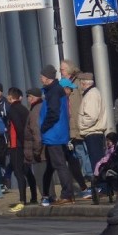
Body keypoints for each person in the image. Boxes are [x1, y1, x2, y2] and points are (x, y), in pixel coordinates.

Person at [39, 64, 76, 205]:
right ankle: (51, 194)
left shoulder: (53, 91)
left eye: (42, 76)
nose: (41, 79)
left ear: (48, 78)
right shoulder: (54, 90)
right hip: (56, 132)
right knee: (54, 164)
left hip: (54, 133)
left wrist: (44, 127)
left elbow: (53, 113)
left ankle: (67, 194)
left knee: (59, 164)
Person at [77, 72, 108, 173]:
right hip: (93, 133)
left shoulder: (91, 95)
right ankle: (101, 185)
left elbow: (92, 116)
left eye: (80, 82)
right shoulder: (92, 93)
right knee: (97, 162)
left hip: (93, 134)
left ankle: (102, 186)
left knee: (97, 163)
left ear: (83, 83)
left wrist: (81, 124)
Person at [5, 88, 31, 212]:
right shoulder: (24, 109)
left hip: (17, 145)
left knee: (18, 172)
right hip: (23, 143)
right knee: (26, 171)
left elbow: (18, 127)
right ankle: (34, 197)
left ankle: (22, 200)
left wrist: (21, 141)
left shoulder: (12, 110)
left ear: (10, 97)